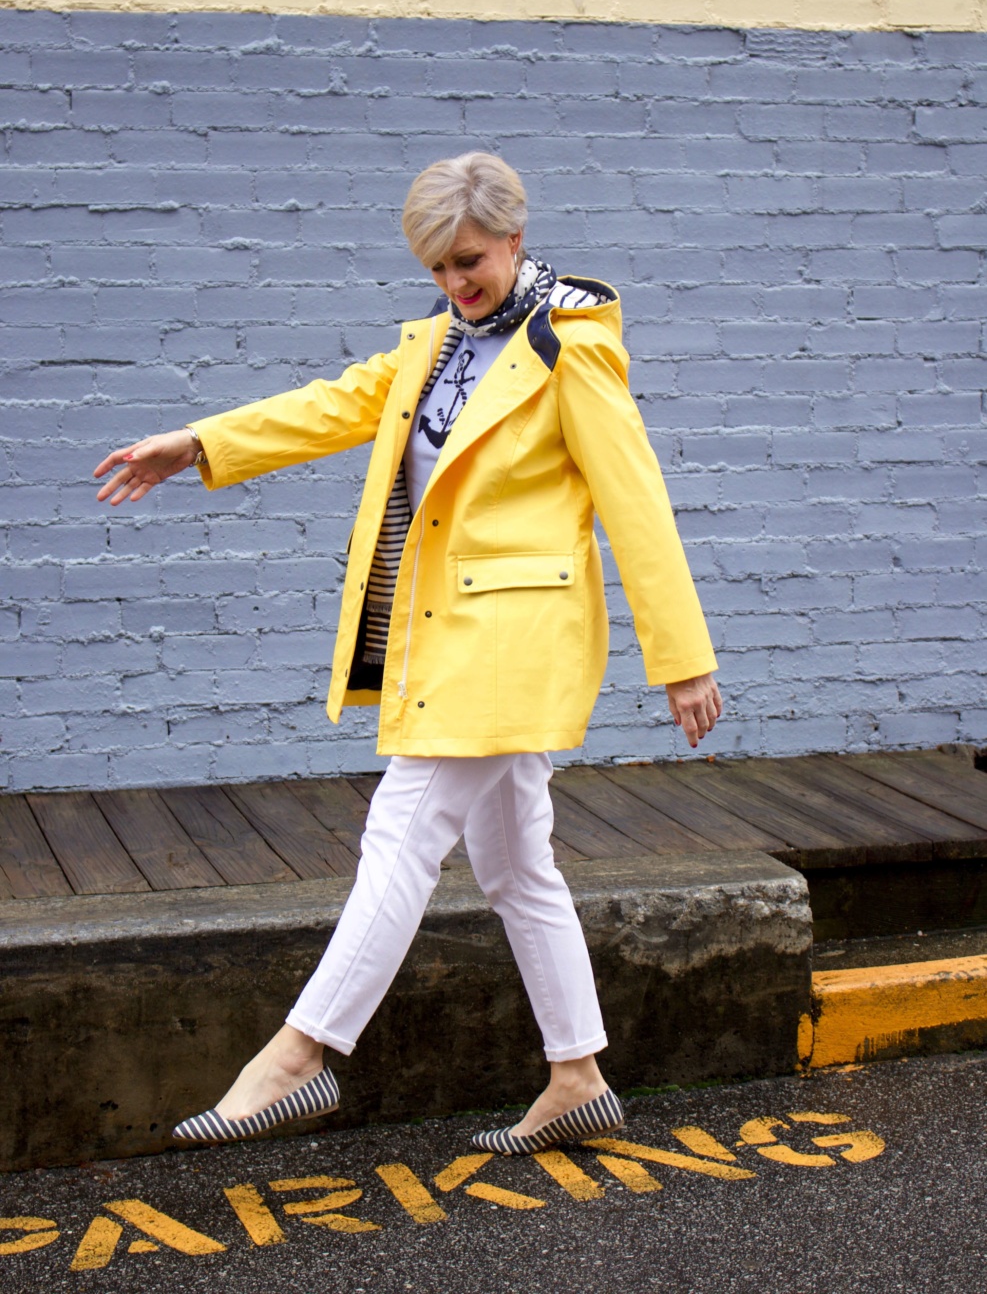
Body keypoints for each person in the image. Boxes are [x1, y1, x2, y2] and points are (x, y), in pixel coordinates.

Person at [95, 151, 721, 1156]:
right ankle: (578, 1075)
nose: (455, 283)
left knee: (402, 831)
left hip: (506, 643)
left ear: (514, 237)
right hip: (450, 640)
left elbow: (633, 498)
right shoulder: (432, 345)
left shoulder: (574, 346)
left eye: (468, 260)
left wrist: (682, 657)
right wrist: (199, 443)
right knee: (518, 865)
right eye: (436, 267)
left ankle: (297, 1058)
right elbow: (330, 404)